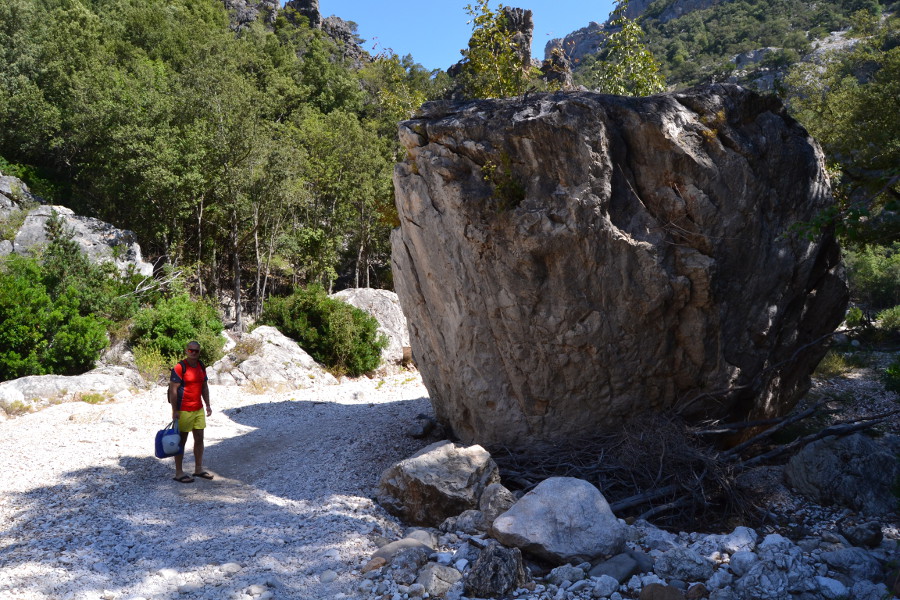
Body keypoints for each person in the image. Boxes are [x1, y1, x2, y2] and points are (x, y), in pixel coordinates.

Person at [168, 341, 213, 483]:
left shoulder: (201, 366)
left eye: (196, 351)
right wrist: (175, 410)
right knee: (181, 441)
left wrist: (208, 405)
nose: (193, 353)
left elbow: (204, 387)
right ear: (186, 351)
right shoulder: (180, 367)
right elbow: (173, 390)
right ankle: (179, 472)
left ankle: (198, 469)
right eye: (190, 350)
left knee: (199, 439)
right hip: (183, 410)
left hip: (198, 409)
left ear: (199, 352)